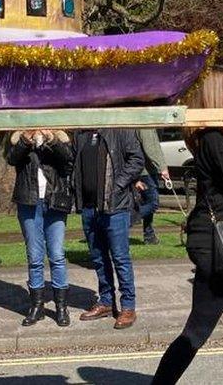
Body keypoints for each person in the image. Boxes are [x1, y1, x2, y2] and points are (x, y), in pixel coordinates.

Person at [152, 65, 223, 384]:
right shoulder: (213, 139)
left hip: (216, 245)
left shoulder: (214, 138)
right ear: (214, 94)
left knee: (197, 330)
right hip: (220, 246)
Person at [74, 128, 145, 330]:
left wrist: (119, 184)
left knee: (120, 258)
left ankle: (128, 306)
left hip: (115, 206)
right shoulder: (81, 134)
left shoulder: (120, 130)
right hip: (89, 207)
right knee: (98, 258)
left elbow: (137, 159)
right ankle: (106, 301)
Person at [7, 129, 75, 327]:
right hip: (29, 201)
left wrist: (52, 140)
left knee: (57, 254)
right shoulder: (20, 139)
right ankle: (37, 305)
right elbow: (12, 159)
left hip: (55, 200)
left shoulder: (59, 137)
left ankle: (61, 307)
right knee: (35, 256)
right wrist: (25, 142)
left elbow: (68, 160)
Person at [136, 130, 170, 245]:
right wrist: (162, 167)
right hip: (146, 171)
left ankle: (149, 236)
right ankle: (128, 219)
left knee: (147, 203)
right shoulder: (146, 126)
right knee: (153, 203)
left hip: (142, 170)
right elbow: (150, 148)